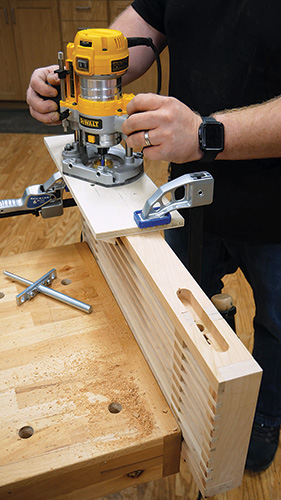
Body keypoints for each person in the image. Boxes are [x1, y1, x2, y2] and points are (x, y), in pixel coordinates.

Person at [26, 1, 281, 472]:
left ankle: (262, 419)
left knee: (277, 328)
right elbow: (140, 30)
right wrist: (74, 80)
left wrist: (207, 133)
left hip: (274, 207)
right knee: (177, 301)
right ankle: (188, 395)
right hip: (189, 191)